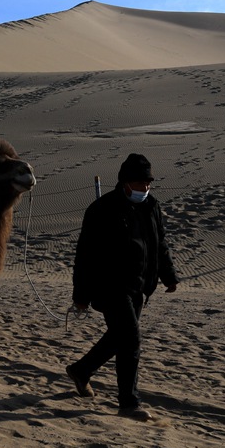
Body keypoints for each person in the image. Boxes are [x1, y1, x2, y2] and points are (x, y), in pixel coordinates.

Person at [66, 153, 180, 421]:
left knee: (119, 337)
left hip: (139, 285)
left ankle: (81, 371)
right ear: (125, 183)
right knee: (130, 339)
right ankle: (129, 403)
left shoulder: (151, 206)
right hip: (109, 286)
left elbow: (159, 244)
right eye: (141, 184)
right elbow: (85, 255)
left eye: (149, 183)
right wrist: (81, 296)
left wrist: (169, 275)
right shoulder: (102, 210)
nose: (146, 189)